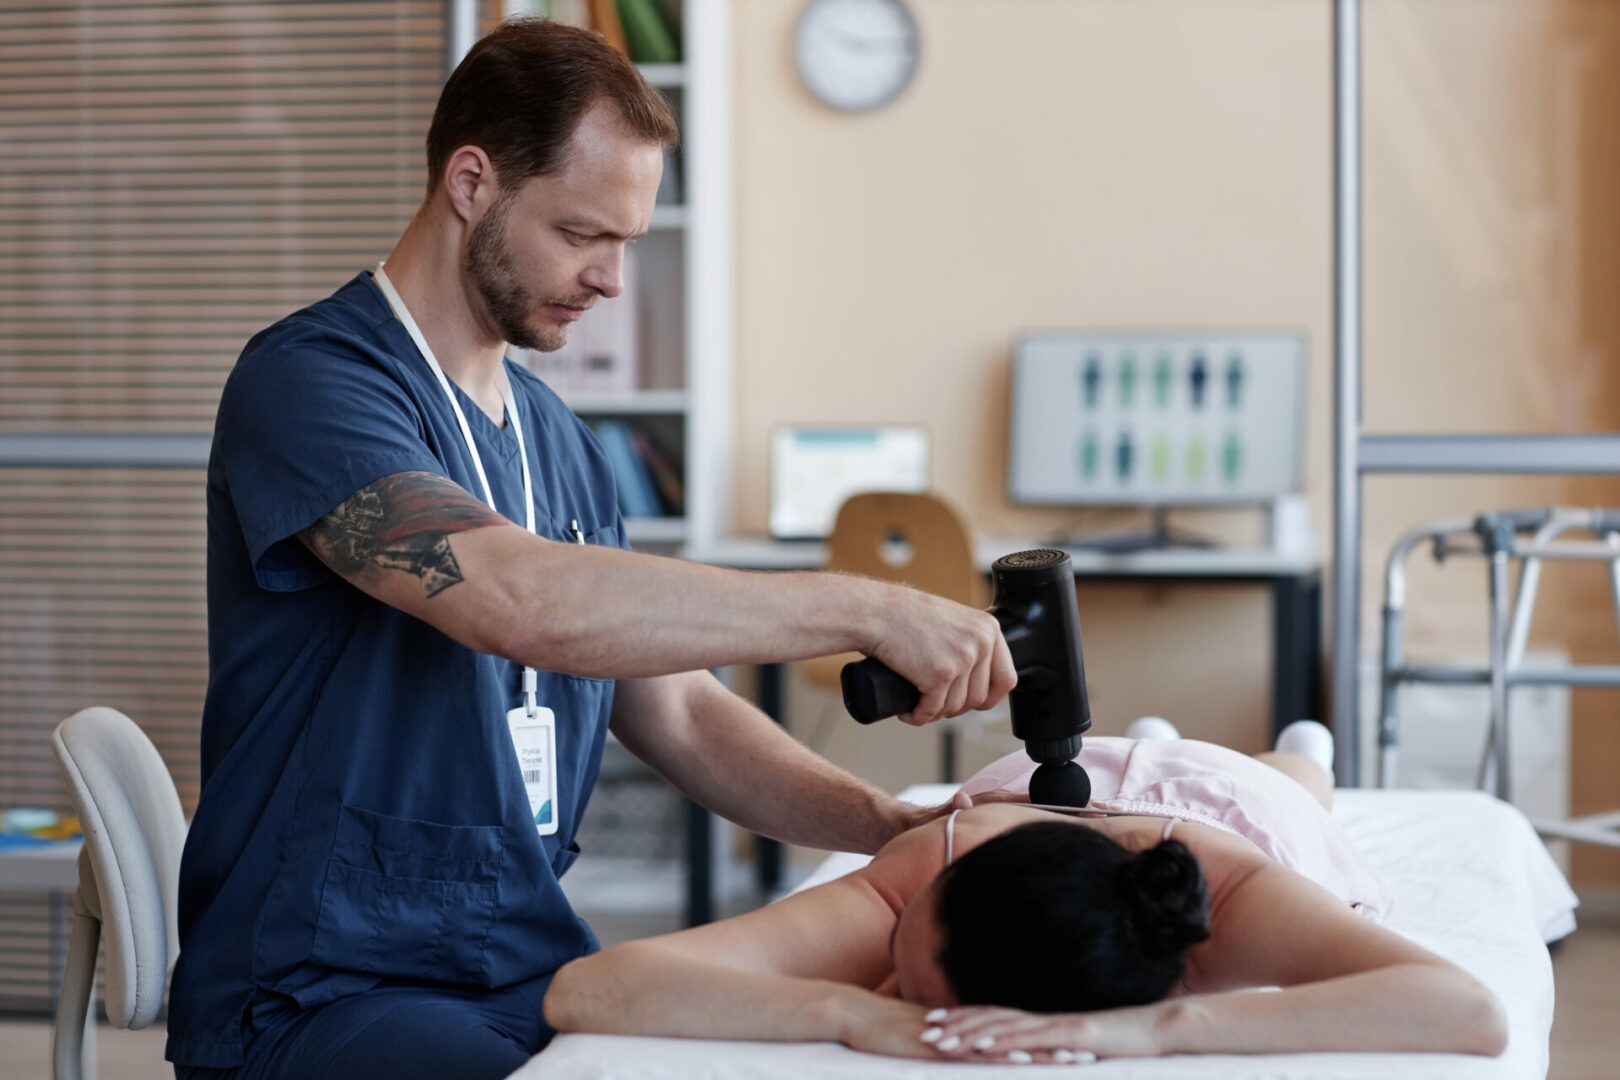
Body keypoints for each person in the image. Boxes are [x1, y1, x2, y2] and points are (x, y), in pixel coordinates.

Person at [167, 19, 1015, 1080]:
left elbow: (682, 713)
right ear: (471, 180)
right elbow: (513, 596)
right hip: (321, 982)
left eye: (629, 243)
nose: (612, 280)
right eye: (583, 235)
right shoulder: (313, 385)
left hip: (521, 964)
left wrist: (889, 826)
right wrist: (869, 607)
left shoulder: (558, 440)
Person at [543, 724, 1510, 1064]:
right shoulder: (924, 874)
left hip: (1237, 809)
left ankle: (1305, 751)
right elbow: (587, 989)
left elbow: (1467, 1010)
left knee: (1297, 786)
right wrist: (846, 1011)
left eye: (911, 992)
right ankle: (1163, 734)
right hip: (1055, 782)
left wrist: (1151, 1033)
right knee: (1126, 750)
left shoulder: (1238, 905)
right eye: (902, 970)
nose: (891, 985)